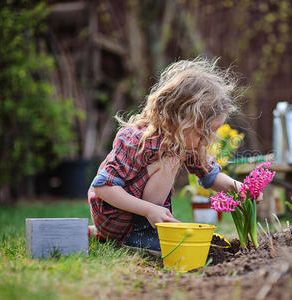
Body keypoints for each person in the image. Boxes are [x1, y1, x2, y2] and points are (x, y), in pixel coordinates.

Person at [88, 57, 261, 252]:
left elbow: (210, 176)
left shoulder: (185, 142)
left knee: (173, 156)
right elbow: (103, 187)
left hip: (139, 215)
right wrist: (149, 210)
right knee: (170, 160)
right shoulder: (136, 139)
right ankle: (141, 234)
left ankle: (116, 234)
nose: (210, 138)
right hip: (114, 214)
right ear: (181, 121)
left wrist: (238, 187)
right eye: (205, 131)